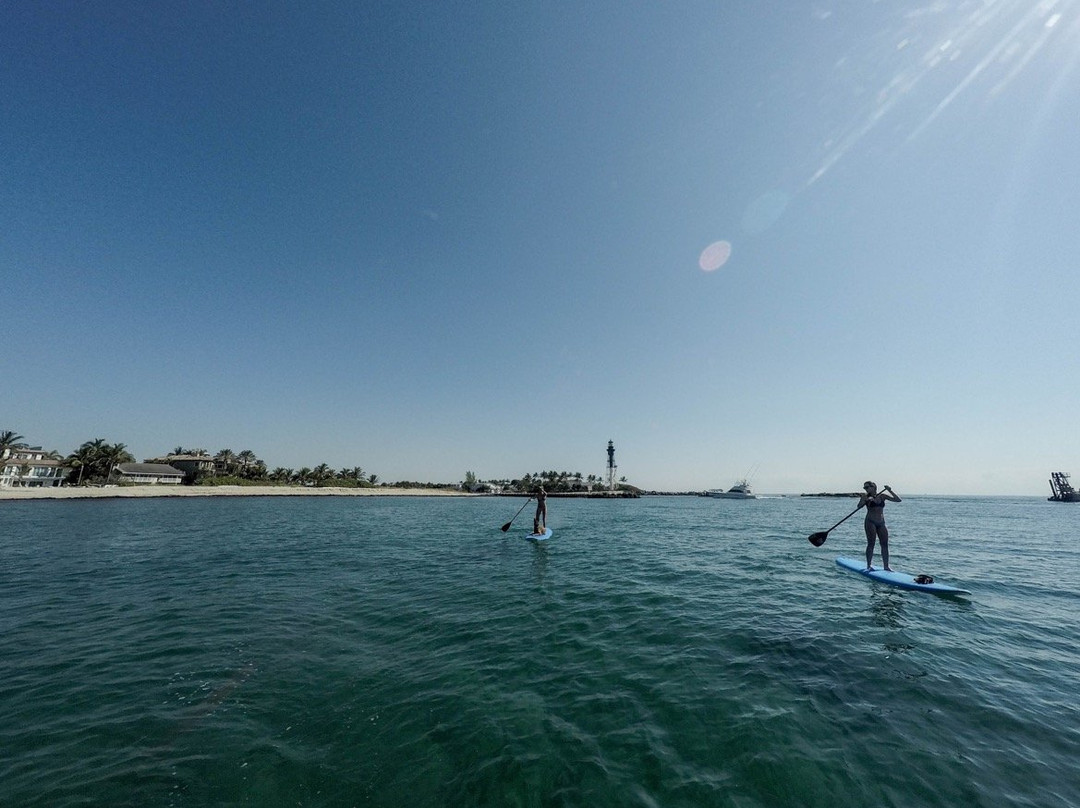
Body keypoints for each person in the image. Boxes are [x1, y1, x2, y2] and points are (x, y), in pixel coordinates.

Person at [859, 481, 901, 571]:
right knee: (871, 544)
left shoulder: (882, 496)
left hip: (881, 522)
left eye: (867, 487)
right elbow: (859, 506)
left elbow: (898, 500)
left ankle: (886, 566)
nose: (866, 489)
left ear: (873, 487)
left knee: (884, 544)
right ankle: (868, 565)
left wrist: (890, 490)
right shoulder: (865, 496)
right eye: (864, 488)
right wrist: (865, 500)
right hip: (870, 522)